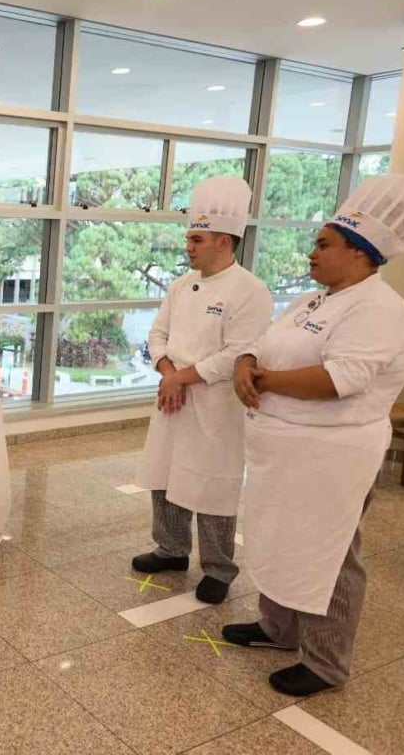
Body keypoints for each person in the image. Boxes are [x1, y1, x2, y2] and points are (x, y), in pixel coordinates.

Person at [222, 174, 404, 697]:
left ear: (360, 254)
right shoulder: (311, 301)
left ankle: (325, 661)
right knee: (277, 539)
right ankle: (277, 628)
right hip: (282, 451)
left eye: (323, 244)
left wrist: (263, 380)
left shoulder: (380, 309)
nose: (312, 253)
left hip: (333, 457)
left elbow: (342, 380)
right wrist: (246, 362)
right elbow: (264, 341)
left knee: (329, 552)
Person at [133, 176, 274, 604]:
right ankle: (172, 549)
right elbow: (156, 336)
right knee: (166, 475)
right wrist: (167, 371)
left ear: (224, 243)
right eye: (188, 238)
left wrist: (179, 377)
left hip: (214, 404)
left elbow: (238, 354)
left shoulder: (250, 291)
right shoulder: (180, 286)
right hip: (172, 396)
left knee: (212, 485)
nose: (188, 247)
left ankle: (218, 568)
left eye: (197, 239)